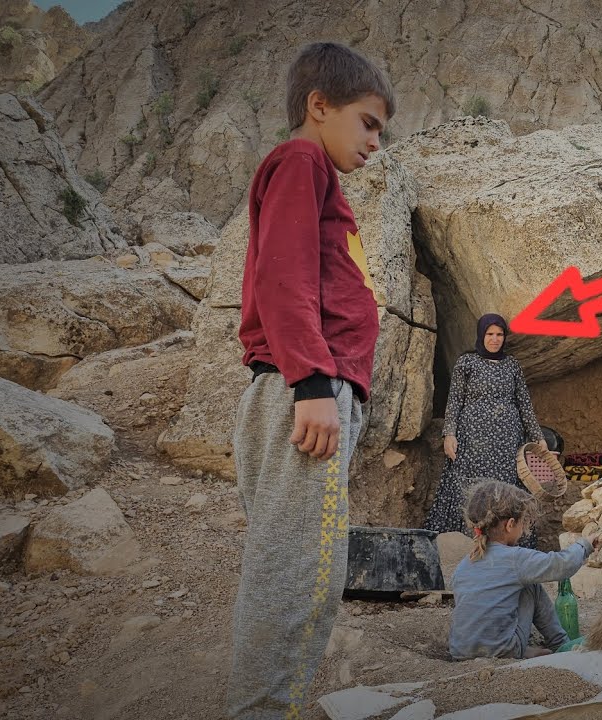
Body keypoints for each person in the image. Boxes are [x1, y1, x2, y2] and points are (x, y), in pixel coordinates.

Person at [227, 42, 395, 719]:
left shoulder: (310, 173)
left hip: (302, 388)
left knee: (288, 567)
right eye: (368, 122)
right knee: (299, 576)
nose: (376, 143)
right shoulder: (301, 161)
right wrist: (314, 385)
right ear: (319, 107)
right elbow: (285, 278)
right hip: (305, 393)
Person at [425, 314, 547, 548]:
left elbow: (524, 404)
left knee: (505, 491)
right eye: (490, 334)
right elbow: (455, 400)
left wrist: (538, 437)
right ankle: (468, 547)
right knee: (472, 491)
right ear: (481, 335)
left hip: (507, 442)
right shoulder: (467, 363)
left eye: (499, 334)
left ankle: (505, 545)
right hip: (473, 441)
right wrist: (449, 434)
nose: (494, 339)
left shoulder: (512, 365)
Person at [449, 480, 598, 659]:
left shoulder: (464, 564)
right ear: (510, 524)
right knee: (530, 586)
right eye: (523, 523)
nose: (524, 529)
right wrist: (585, 545)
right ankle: (560, 643)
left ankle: (524, 649)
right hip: (501, 650)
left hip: (459, 651)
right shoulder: (515, 559)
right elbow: (561, 565)